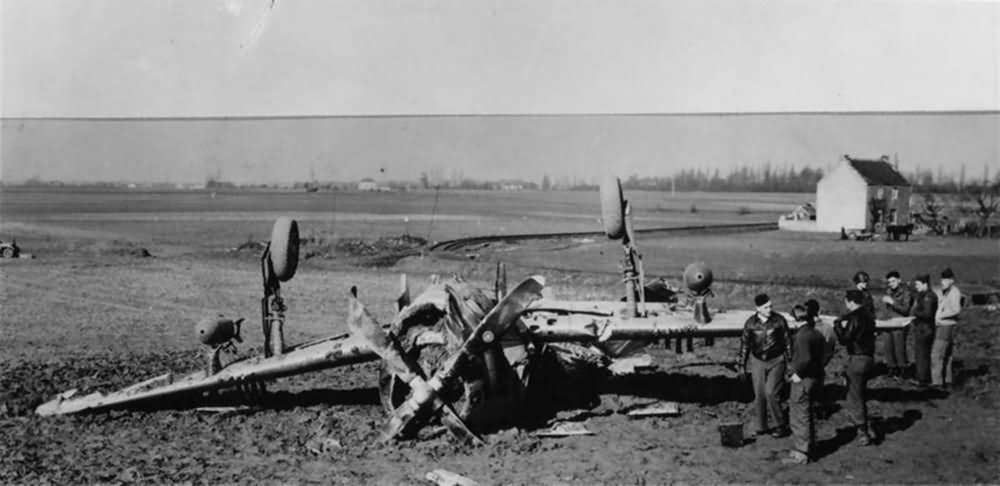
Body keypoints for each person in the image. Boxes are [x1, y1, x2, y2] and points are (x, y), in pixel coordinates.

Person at [738, 293, 792, 438]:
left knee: (771, 392)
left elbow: (788, 342)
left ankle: (780, 425)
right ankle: (761, 426)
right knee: (759, 394)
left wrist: (790, 363)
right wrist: (741, 366)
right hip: (758, 361)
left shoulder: (779, 320)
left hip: (777, 361)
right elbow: (744, 345)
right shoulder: (750, 323)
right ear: (758, 308)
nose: (769, 309)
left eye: (770, 306)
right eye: (766, 307)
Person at [782, 299, 827, 464]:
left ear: (796, 319)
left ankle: (801, 453)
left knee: (799, 414)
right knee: (808, 414)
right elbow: (823, 355)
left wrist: (797, 373)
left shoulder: (801, 336)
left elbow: (805, 359)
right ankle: (809, 447)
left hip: (803, 380)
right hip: (816, 378)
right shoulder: (816, 333)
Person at [834, 289, 877, 446]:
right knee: (862, 393)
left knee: (854, 396)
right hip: (869, 358)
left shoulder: (854, 317)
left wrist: (838, 326)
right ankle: (867, 425)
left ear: (850, 302)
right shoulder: (869, 315)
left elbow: (845, 339)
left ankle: (862, 430)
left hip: (857, 359)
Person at [932, 268, 962, 389]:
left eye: (946, 279)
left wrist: (940, 315)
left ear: (951, 280)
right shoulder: (946, 291)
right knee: (947, 354)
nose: (943, 281)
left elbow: (956, 309)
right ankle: (947, 380)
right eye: (942, 279)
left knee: (936, 354)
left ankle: (937, 382)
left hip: (946, 325)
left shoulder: (954, 292)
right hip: (946, 325)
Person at [880, 270, 914, 380]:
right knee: (888, 347)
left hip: (900, 324)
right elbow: (885, 310)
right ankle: (891, 368)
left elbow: (905, 310)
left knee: (899, 347)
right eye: (889, 282)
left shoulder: (906, 293)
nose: (891, 284)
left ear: (899, 280)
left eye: (893, 281)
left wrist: (893, 303)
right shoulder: (888, 292)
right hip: (888, 323)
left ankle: (902, 369)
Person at [910, 274, 938, 387]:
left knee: (922, 355)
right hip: (922, 328)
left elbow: (927, 314)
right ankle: (921, 377)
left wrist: (915, 312)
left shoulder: (929, 297)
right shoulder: (925, 295)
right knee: (921, 354)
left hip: (925, 329)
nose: (916, 287)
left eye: (918, 284)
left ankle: (922, 379)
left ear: (925, 284)